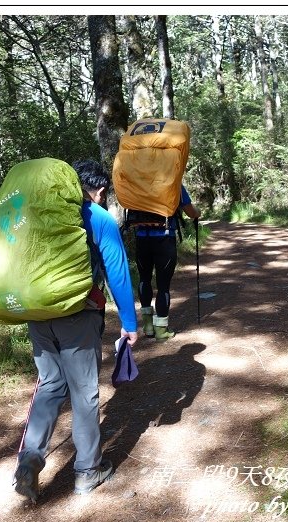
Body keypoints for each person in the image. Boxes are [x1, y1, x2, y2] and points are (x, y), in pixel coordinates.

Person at [13, 159, 139, 502]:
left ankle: (29, 458)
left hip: (37, 313)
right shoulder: (97, 218)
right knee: (84, 391)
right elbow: (117, 272)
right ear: (98, 190)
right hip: (78, 315)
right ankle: (88, 470)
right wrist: (129, 323)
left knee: (50, 384)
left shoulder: (36, 217)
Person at [136, 185, 200, 341]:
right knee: (163, 285)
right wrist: (198, 213)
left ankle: (148, 326)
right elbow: (189, 210)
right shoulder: (173, 180)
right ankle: (161, 330)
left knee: (144, 278)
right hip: (165, 238)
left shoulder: (137, 180)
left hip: (141, 238)